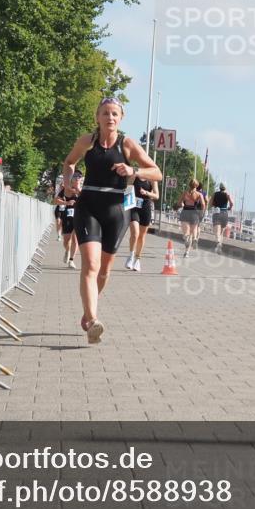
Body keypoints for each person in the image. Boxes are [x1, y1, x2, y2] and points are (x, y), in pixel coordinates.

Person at [62, 97, 162, 344]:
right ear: (97, 116)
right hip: (88, 206)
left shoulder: (127, 145)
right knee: (90, 265)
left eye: (115, 114)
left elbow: (157, 172)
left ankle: (88, 311)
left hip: (117, 211)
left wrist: (133, 171)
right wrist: (68, 182)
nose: (110, 117)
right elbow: (69, 162)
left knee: (104, 271)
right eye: (105, 113)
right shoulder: (87, 141)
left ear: (121, 118)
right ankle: (93, 321)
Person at [125, 172, 159, 272]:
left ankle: (137, 259)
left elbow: (156, 196)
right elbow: (127, 188)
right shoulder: (135, 175)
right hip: (134, 206)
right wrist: (133, 177)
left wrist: (147, 193)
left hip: (145, 207)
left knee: (142, 236)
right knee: (135, 233)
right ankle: (131, 256)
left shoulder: (152, 178)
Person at [57, 172, 84, 268]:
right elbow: (56, 200)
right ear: (71, 179)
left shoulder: (83, 190)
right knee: (66, 239)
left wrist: (78, 189)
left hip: (79, 216)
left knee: (75, 239)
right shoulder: (67, 190)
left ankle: (71, 260)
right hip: (67, 216)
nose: (77, 178)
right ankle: (67, 251)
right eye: (75, 176)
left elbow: (89, 201)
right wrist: (67, 203)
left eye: (79, 177)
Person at [177, 179, 204, 258]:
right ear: (197, 186)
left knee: (186, 233)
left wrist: (182, 204)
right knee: (192, 234)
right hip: (194, 213)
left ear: (189, 185)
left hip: (185, 212)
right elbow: (203, 204)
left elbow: (179, 203)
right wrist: (201, 212)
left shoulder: (185, 193)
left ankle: (186, 237)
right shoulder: (199, 194)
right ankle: (187, 251)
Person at [210, 183, 234, 252]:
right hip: (224, 213)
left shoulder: (215, 194)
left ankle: (218, 242)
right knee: (221, 232)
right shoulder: (227, 194)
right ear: (225, 188)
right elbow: (232, 203)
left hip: (217, 213)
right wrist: (230, 207)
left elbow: (211, 204)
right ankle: (219, 248)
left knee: (217, 232)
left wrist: (215, 204)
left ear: (219, 188)